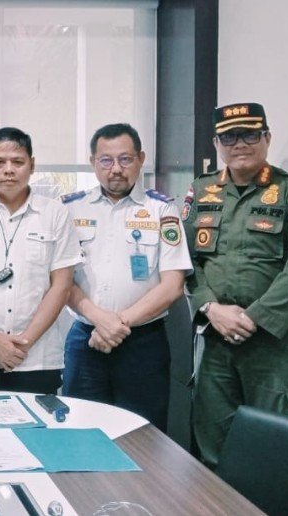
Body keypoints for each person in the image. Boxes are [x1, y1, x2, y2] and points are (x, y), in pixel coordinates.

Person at [183, 103, 288, 467]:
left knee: (277, 449)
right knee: (214, 444)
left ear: (267, 138)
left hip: (274, 345)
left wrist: (253, 318)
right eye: (229, 136)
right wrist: (211, 308)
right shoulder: (201, 191)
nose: (240, 144)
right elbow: (184, 260)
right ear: (217, 143)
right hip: (215, 340)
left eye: (249, 134)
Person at [62, 123, 193, 430]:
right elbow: (61, 280)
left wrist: (116, 324)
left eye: (125, 159)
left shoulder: (162, 209)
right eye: (106, 160)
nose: (116, 169)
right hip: (86, 339)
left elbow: (173, 285)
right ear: (93, 162)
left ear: (141, 159)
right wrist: (99, 319)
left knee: (142, 435)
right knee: (81, 430)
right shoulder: (70, 208)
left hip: (143, 344)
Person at [0, 127, 81, 393]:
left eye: (18, 162)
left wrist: (23, 343)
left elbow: (62, 286)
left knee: (38, 420)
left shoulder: (55, 214)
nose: (8, 170)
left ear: (32, 165)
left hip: (38, 357)